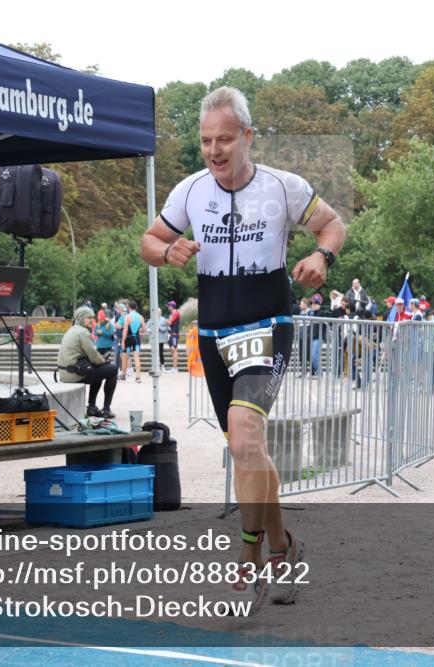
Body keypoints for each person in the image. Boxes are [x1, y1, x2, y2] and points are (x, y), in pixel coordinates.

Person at [139, 86, 345, 610]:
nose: (215, 150)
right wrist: (168, 250)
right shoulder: (190, 190)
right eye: (207, 140)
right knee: (247, 449)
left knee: (246, 433)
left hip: (267, 324)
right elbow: (149, 241)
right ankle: (283, 547)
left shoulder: (282, 186)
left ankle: (249, 554)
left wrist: (322, 257)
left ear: (248, 137)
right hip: (213, 334)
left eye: (225, 139)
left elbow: (332, 224)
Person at [56, 306, 117, 419]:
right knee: (112, 370)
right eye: (88, 318)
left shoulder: (72, 330)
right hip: (75, 375)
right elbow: (93, 355)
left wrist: (100, 362)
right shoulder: (82, 332)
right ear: (81, 318)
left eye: (92, 318)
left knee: (99, 371)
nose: (92, 320)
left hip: (66, 373)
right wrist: (104, 361)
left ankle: (92, 407)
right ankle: (106, 409)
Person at [121, 299, 144, 383]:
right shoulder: (140, 317)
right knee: (137, 358)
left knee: (125, 358)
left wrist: (123, 341)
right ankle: (138, 377)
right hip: (136, 339)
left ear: (128, 307)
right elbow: (144, 328)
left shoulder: (127, 317)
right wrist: (139, 330)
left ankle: (123, 375)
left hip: (128, 339)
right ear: (136, 307)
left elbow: (125, 330)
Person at [167, 301, 181, 373]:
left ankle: (175, 368)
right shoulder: (172, 314)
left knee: (174, 349)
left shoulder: (176, 313)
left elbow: (169, 322)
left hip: (174, 334)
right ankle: (174, 368)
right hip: (171, 334)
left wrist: (167, 320)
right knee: (172, 350)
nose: (168, 307)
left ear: (171, 306)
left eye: (168, 306)